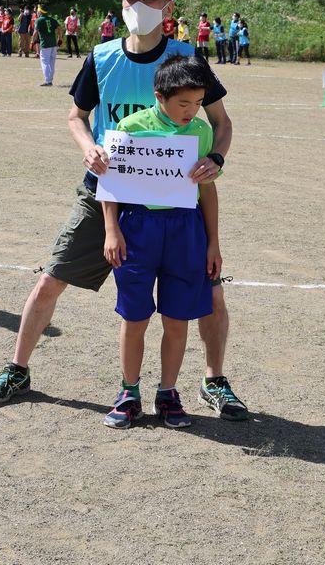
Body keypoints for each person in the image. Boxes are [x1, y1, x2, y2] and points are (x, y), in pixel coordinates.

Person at [0, 0, 246, 424]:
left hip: (175, 204)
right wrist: (87, 148)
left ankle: (214, 380)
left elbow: (221, 124)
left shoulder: (186, 56)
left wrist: (215, 160)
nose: (141, 4)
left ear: (168, 3)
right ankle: (17, 368)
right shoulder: (102, 56)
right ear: (121, 1)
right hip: (104, 194)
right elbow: (76, 117)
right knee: (50, 280)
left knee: (211, 292)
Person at [100, 56, 220, 429]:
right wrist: (111, 230)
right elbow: (111, 184)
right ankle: (128, 392)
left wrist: (213, 242)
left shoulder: (200, 132)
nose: (191, 111)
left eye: (198, 102)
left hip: (185, 230)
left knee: (177, 317)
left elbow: (207, 190)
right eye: (183, 103)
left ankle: (168, 393)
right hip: (138, 227)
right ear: (159, 97)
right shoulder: (130, 126)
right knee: (135, 316)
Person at [34, 6, 59, 86]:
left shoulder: (38, 20)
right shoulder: (52, 19)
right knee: (52, 63)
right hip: (53, 44)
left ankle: (47, 81)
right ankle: (50, 80)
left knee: (44, 62)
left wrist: (32, 42)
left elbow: (35, 33)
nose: (37, 12)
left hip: (45, 44)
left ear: (40, 12)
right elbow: (60, 28)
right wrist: (60, 38)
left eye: (38, 11)